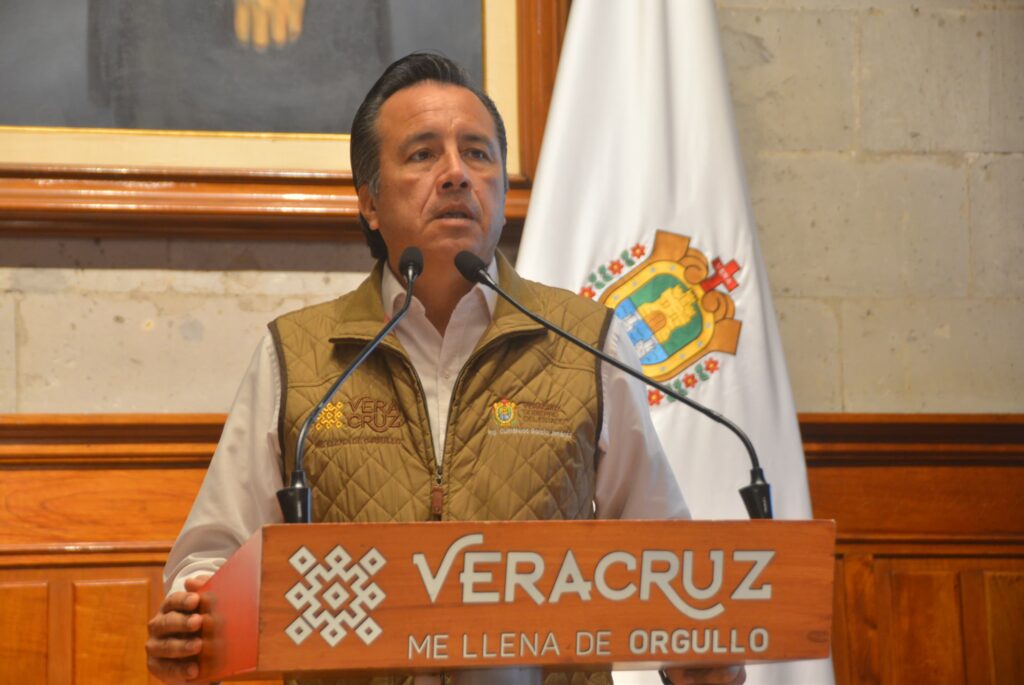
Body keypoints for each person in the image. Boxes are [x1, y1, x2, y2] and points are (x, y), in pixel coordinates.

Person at [146, 53, 745, 685]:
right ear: (370, 201)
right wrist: (191, 620)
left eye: (478, 154)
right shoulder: (298, 354)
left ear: (502, 193)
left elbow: (661, 548)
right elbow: (214, 554)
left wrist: (696, 657)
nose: (457, 174)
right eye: (424, 154)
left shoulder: (585, 340)